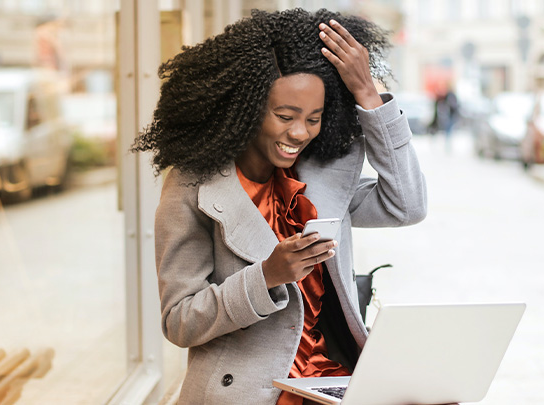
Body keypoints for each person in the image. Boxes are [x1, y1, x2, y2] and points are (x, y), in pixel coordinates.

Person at [132, 8, 427, 404]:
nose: (300, 133)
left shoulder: (317, 177)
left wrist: (369, 95)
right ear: (247, 106)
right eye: (285, 116)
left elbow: (406, 205)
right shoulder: (192, 187)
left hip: (330, 381)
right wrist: (267, 275)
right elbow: (179, 321)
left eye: (314, 118)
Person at [429, 85, 460, 152]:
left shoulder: (449, 96)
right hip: (449, 116)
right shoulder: (449, 96)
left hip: (450, 116)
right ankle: (447, 145)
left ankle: (447, 145)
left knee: (448, 130)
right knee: (448, 130)